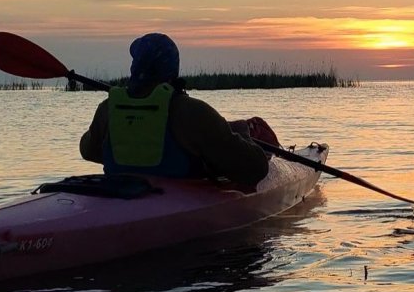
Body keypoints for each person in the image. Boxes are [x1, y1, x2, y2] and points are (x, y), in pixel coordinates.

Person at [79, 33, 280, 189]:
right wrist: (243, 136)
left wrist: (135, 148)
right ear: (172, 70)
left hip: (121, 196)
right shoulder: (193, 113)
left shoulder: (108, 110)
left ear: (135, 66)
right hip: (178, 205)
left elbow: (89, 151)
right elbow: (256, 169)